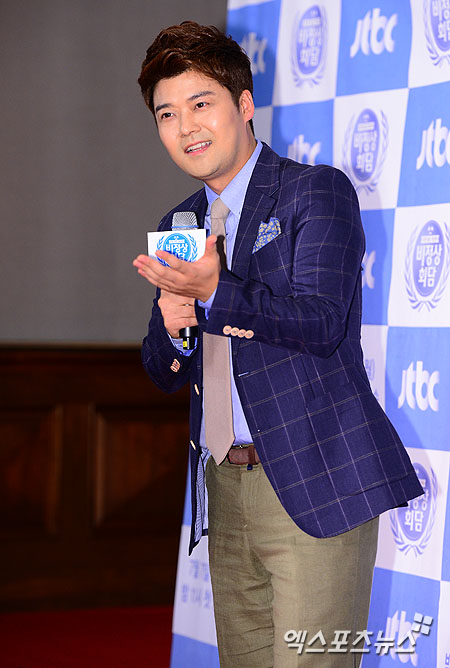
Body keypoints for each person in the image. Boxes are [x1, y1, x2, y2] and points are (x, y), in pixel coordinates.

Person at [133, 21, 423, 668]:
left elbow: (321, 323)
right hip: (223, 487)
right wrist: (174, 323)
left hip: (315, 478)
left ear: (243, 104)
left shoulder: (314, 190)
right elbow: (166, 371)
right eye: (167, 114)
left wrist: (217, 292)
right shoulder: (179, 223)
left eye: (200, 104)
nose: (185, 127)